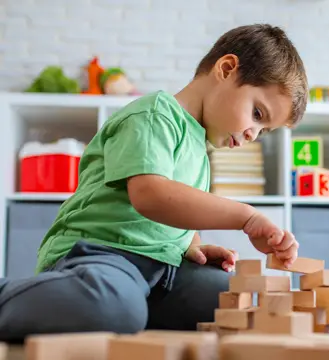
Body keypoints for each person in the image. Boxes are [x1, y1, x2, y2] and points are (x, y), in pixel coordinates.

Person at [0, 23, 308, 341]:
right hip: (102, 254)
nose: (252, 135)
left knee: (232, 300)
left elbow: (177, 216)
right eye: (257, 114)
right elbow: (151, 195)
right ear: (227, 69)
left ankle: (133, 312)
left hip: (161, 268)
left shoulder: (200, 150)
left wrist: (194, 247)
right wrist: (246, 217)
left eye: (263, 131)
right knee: (111, 304)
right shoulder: (154, 116)